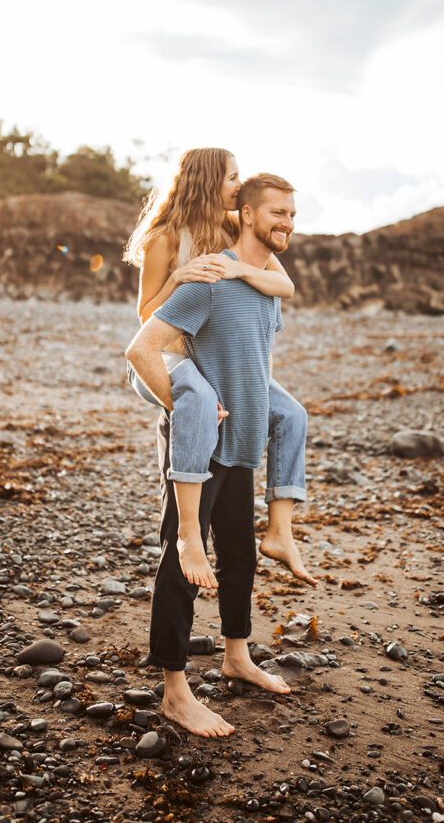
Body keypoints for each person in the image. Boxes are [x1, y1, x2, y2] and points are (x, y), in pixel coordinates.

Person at [125, 174, 301, 736]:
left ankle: (236, 656)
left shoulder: (266, 280)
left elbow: (257, 358)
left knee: (240, 555)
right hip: (199, 450)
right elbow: (142, 346)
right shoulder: (208, 277)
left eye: (292, 214)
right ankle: (175, 692)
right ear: (246, 214)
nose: (287, 222)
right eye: (277, 212)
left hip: (243, 441)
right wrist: (184, 407)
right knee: (181, 562)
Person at [123, 148, 316, 589]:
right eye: (232, 177)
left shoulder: (233, 227)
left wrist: (236, 274)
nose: (238, 185)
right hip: (167, 358)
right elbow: (145, 319)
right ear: (209, 181)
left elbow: (282, 284)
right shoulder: (165, 238)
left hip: (209, 355)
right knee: (199, 400)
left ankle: (280, 530)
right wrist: (180, 277)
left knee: (291, 414)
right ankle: (189, 535)